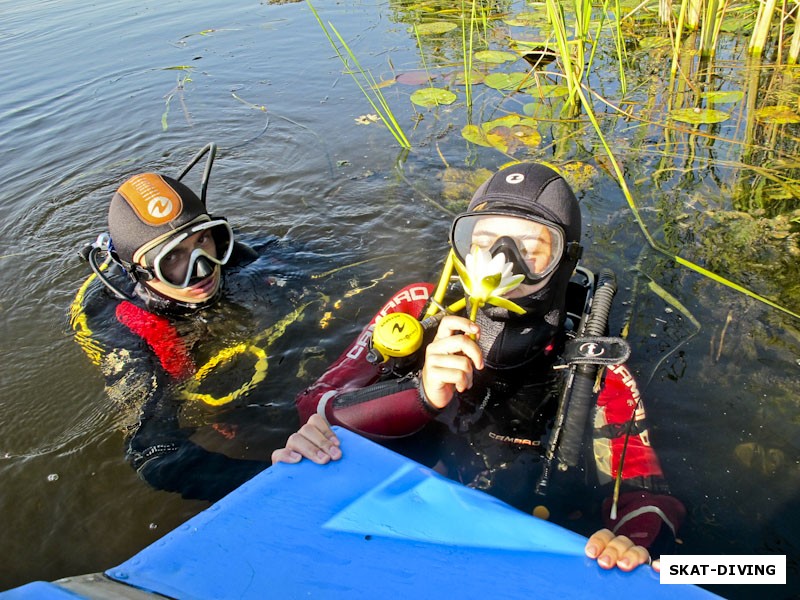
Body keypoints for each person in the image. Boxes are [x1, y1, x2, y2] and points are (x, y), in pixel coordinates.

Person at [272, 162, 685, 572]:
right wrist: (422, 394)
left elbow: (646, 498)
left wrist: (630, 544)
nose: (503, 261)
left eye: (530, 250)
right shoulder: (416, 310)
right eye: (484, 242)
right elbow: (314, 405)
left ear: (564, 260)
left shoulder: (596, 370)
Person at [71, 143, 321, 502]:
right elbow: (154, 456)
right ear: (142, 272)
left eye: (203, 240)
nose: (203, 268)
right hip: (152, 330)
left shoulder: (224, 255)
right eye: (173, 258)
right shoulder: (126, 329)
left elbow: (319, 263)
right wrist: (272, 477)